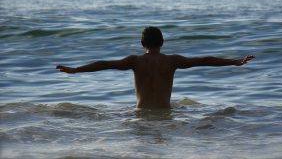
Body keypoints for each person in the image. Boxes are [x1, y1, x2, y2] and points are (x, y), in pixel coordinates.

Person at [56, 26, 254, 109]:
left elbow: (104, 64)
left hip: (140, 114)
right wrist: (234, 62)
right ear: (163, 42)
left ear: (142, 44)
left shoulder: (135, 61)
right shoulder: (172, 61)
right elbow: (205, 59)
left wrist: (75, 70)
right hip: (165, 115)